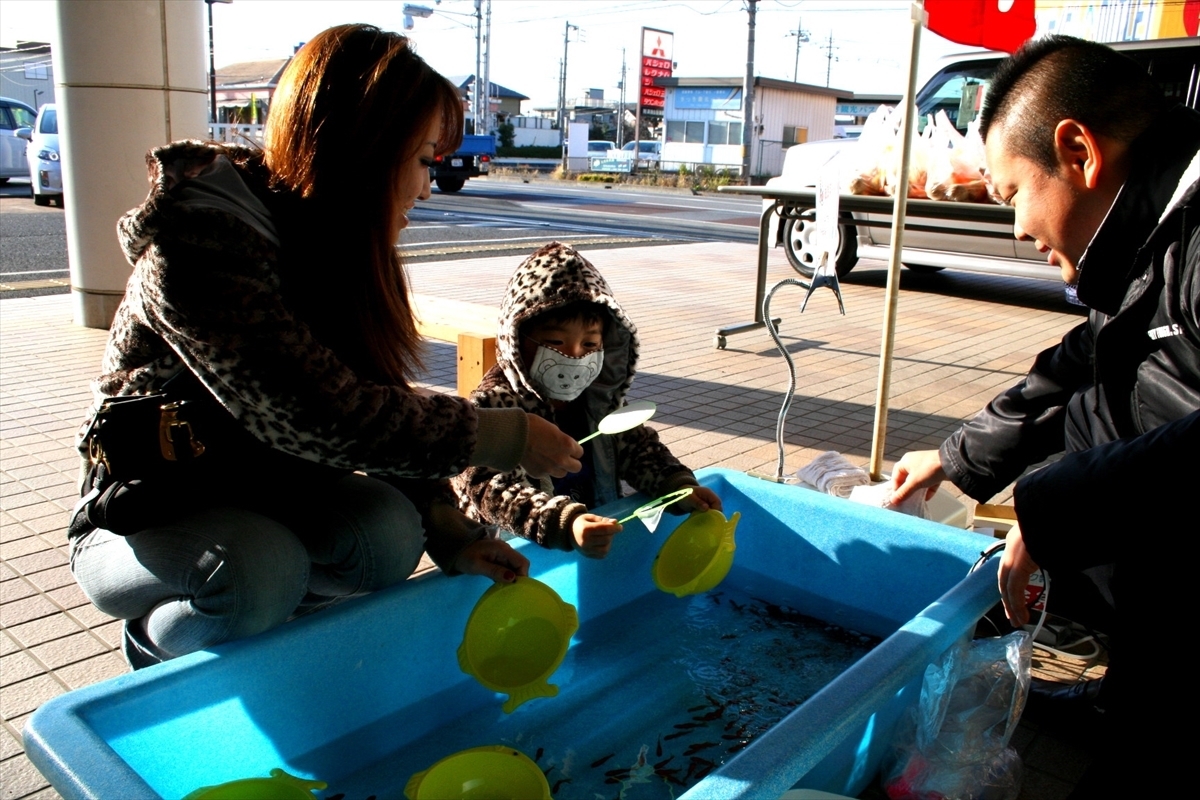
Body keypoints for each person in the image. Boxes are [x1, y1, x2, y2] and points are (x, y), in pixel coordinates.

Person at [67, 25, 583, 669]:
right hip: (147, 514)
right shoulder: (202, 245)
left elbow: (377, 399)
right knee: (260, 570)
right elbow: (315, 411)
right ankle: (159, 649)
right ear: (364, 147)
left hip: (266, 492)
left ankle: (275, 646)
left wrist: (449, 530)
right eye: (423, 159)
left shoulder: (333, 247)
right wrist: (499, 434)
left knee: (389, 534)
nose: (427, 189)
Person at [887, 33, 1198, 786]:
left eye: (1012, 195)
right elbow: (1091, 357)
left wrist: (1051, 504)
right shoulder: (1155, 235)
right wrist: (959, 456)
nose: (1018, 230)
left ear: (1079, 152)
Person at [453, 242, 722, 559]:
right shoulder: (493, 407)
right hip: (523, 557)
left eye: (590, 343)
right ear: (515, 340)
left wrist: (677, 487)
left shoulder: (598, 401)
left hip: (593, 537)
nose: (575, 355)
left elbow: (638, 449)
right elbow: (488, 487)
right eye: (555, 343)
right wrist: (565, 522)